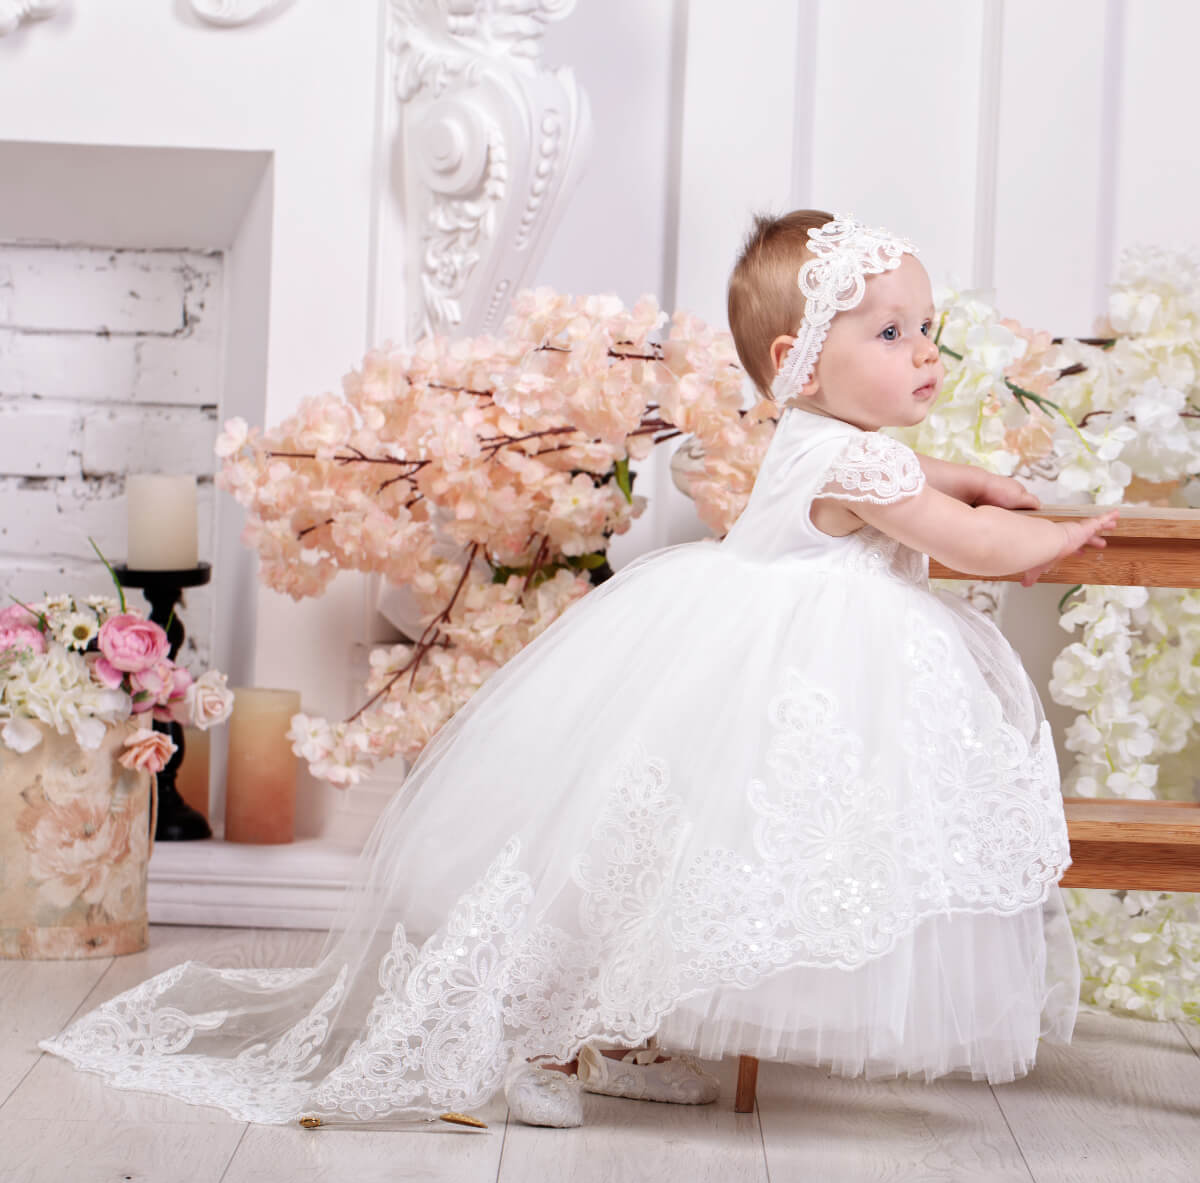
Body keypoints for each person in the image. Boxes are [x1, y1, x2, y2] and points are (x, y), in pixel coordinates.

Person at [40, 210, 1116, 1131]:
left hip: (736, 654)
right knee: (689, 860)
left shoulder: (817, 434)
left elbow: (920, 478)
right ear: (801, 356)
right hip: (785, 669)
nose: (924, 351)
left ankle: (618, 1029)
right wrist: (1055, 539)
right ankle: (539, 1045)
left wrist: (978, 478)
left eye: (925, 329)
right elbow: (963, 545)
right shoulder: (859, 454)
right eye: (890, 333)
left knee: (668, 860)